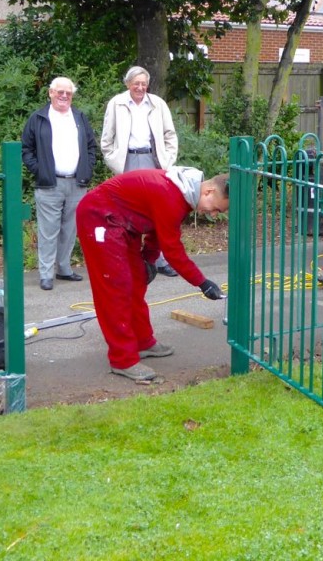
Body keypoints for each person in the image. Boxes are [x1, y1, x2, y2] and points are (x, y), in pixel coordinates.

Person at [76, 167, 229, 381]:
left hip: (123, 223)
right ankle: (123, 360)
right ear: (208, 192)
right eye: (217, 209)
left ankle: (142, 342)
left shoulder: (182, 195)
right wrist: (202, 283)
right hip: (99, 217)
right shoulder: (173, 196)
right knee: (115, 290)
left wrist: (147, 259)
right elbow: (173, 251)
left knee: (136, 281)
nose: (213, 214)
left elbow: (158, 230)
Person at [99, 65, 181, 277]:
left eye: (144, 83)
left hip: (153, 162)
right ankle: (133, 259)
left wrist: (167, 161)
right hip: (127, 163)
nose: (140, 87)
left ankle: (159, 260)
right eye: (136, 83)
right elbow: (106, 140)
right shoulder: (116, 103)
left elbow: (170, 135)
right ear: (128, 84)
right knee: (129, 213)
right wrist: (116, 163)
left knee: (158, 211)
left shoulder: (158, 104)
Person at [21, 77, 99, 291]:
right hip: (49, 184)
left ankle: (64, 268)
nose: (64, 96)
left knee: (70, 229)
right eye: (59, 92)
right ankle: (46, 274)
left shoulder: (80, 117)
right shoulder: (38, 118)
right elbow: (26, 149)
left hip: (77, 183)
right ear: (50, 93)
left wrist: (87, 169)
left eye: (68, 93)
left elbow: (91, 147)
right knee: (48, 231)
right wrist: (40, 171)